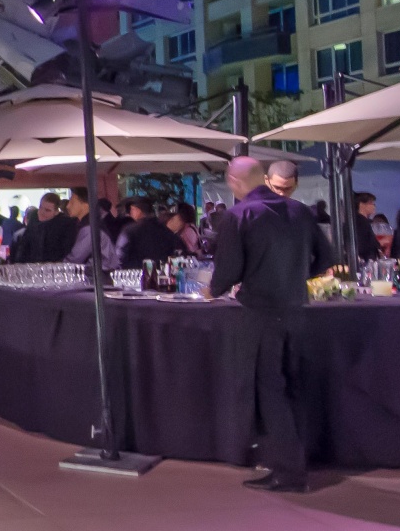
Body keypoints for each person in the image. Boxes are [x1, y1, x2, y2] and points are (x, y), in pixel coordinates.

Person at [211, 157, 335, 494]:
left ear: (234, 181)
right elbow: (325, 259)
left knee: (268, 391)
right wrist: (292, 279)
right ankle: (290, 463)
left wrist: (213, 290)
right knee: (290, 386)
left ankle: (290, 472)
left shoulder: (239, 215)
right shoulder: (300, 212)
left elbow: (228, 270)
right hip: (296, 311)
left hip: (261, 313)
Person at [118, 198, 183, 268]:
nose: (129, 213)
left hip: (135, 275)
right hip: (161, 274)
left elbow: (120, 256)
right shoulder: (165, 230)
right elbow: (179, 251)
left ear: (136, 210)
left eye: (130, 210)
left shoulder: (130, 230)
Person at [65, 187, 121, 269]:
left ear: (85, 205)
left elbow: (75, 259)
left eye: (72, 202)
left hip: (98, 276)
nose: (68, 206)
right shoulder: (90, 223)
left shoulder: (89, 228)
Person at [352, 193, 382, 262]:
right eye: (371, 203)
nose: (374, 206)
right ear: (361, 204)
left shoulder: (360, 221)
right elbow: (362, 245)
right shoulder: (361, 222)